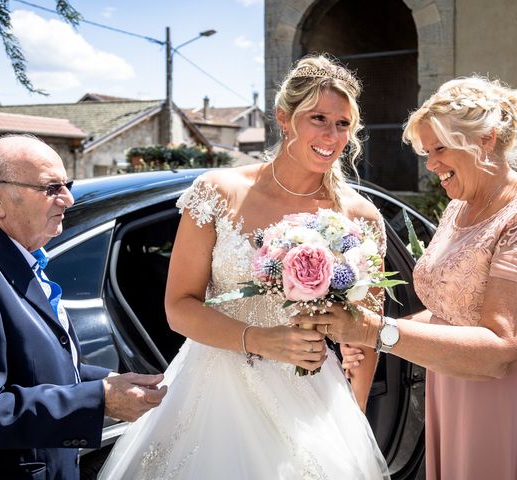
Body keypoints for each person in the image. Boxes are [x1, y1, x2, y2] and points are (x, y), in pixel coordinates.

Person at [97, 55, 390, 479]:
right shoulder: (219, 192)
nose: (332, 135)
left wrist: (352, 416)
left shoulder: (360, 217)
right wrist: (258, 340)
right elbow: (179, 306)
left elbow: (364, 335)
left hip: (311, 393)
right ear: (284, 119)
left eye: (343, 123)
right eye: (319, 118)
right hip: (213, 387)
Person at [306, 76, 517, 479]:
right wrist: (368, 335)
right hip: (453, 398)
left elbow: (502, 348)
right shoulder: (460, 208)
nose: (431, 164)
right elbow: (450, 312)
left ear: (486, 139)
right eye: (426, 151)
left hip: (513, 406)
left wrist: (378, 332)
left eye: (439, 149)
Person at [0, 135, 167, 480]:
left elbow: (32, 370)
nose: (68, 199)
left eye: (66, 185)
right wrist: (98, 400)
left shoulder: (15, 254)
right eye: (51, 188)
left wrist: (108, 381)